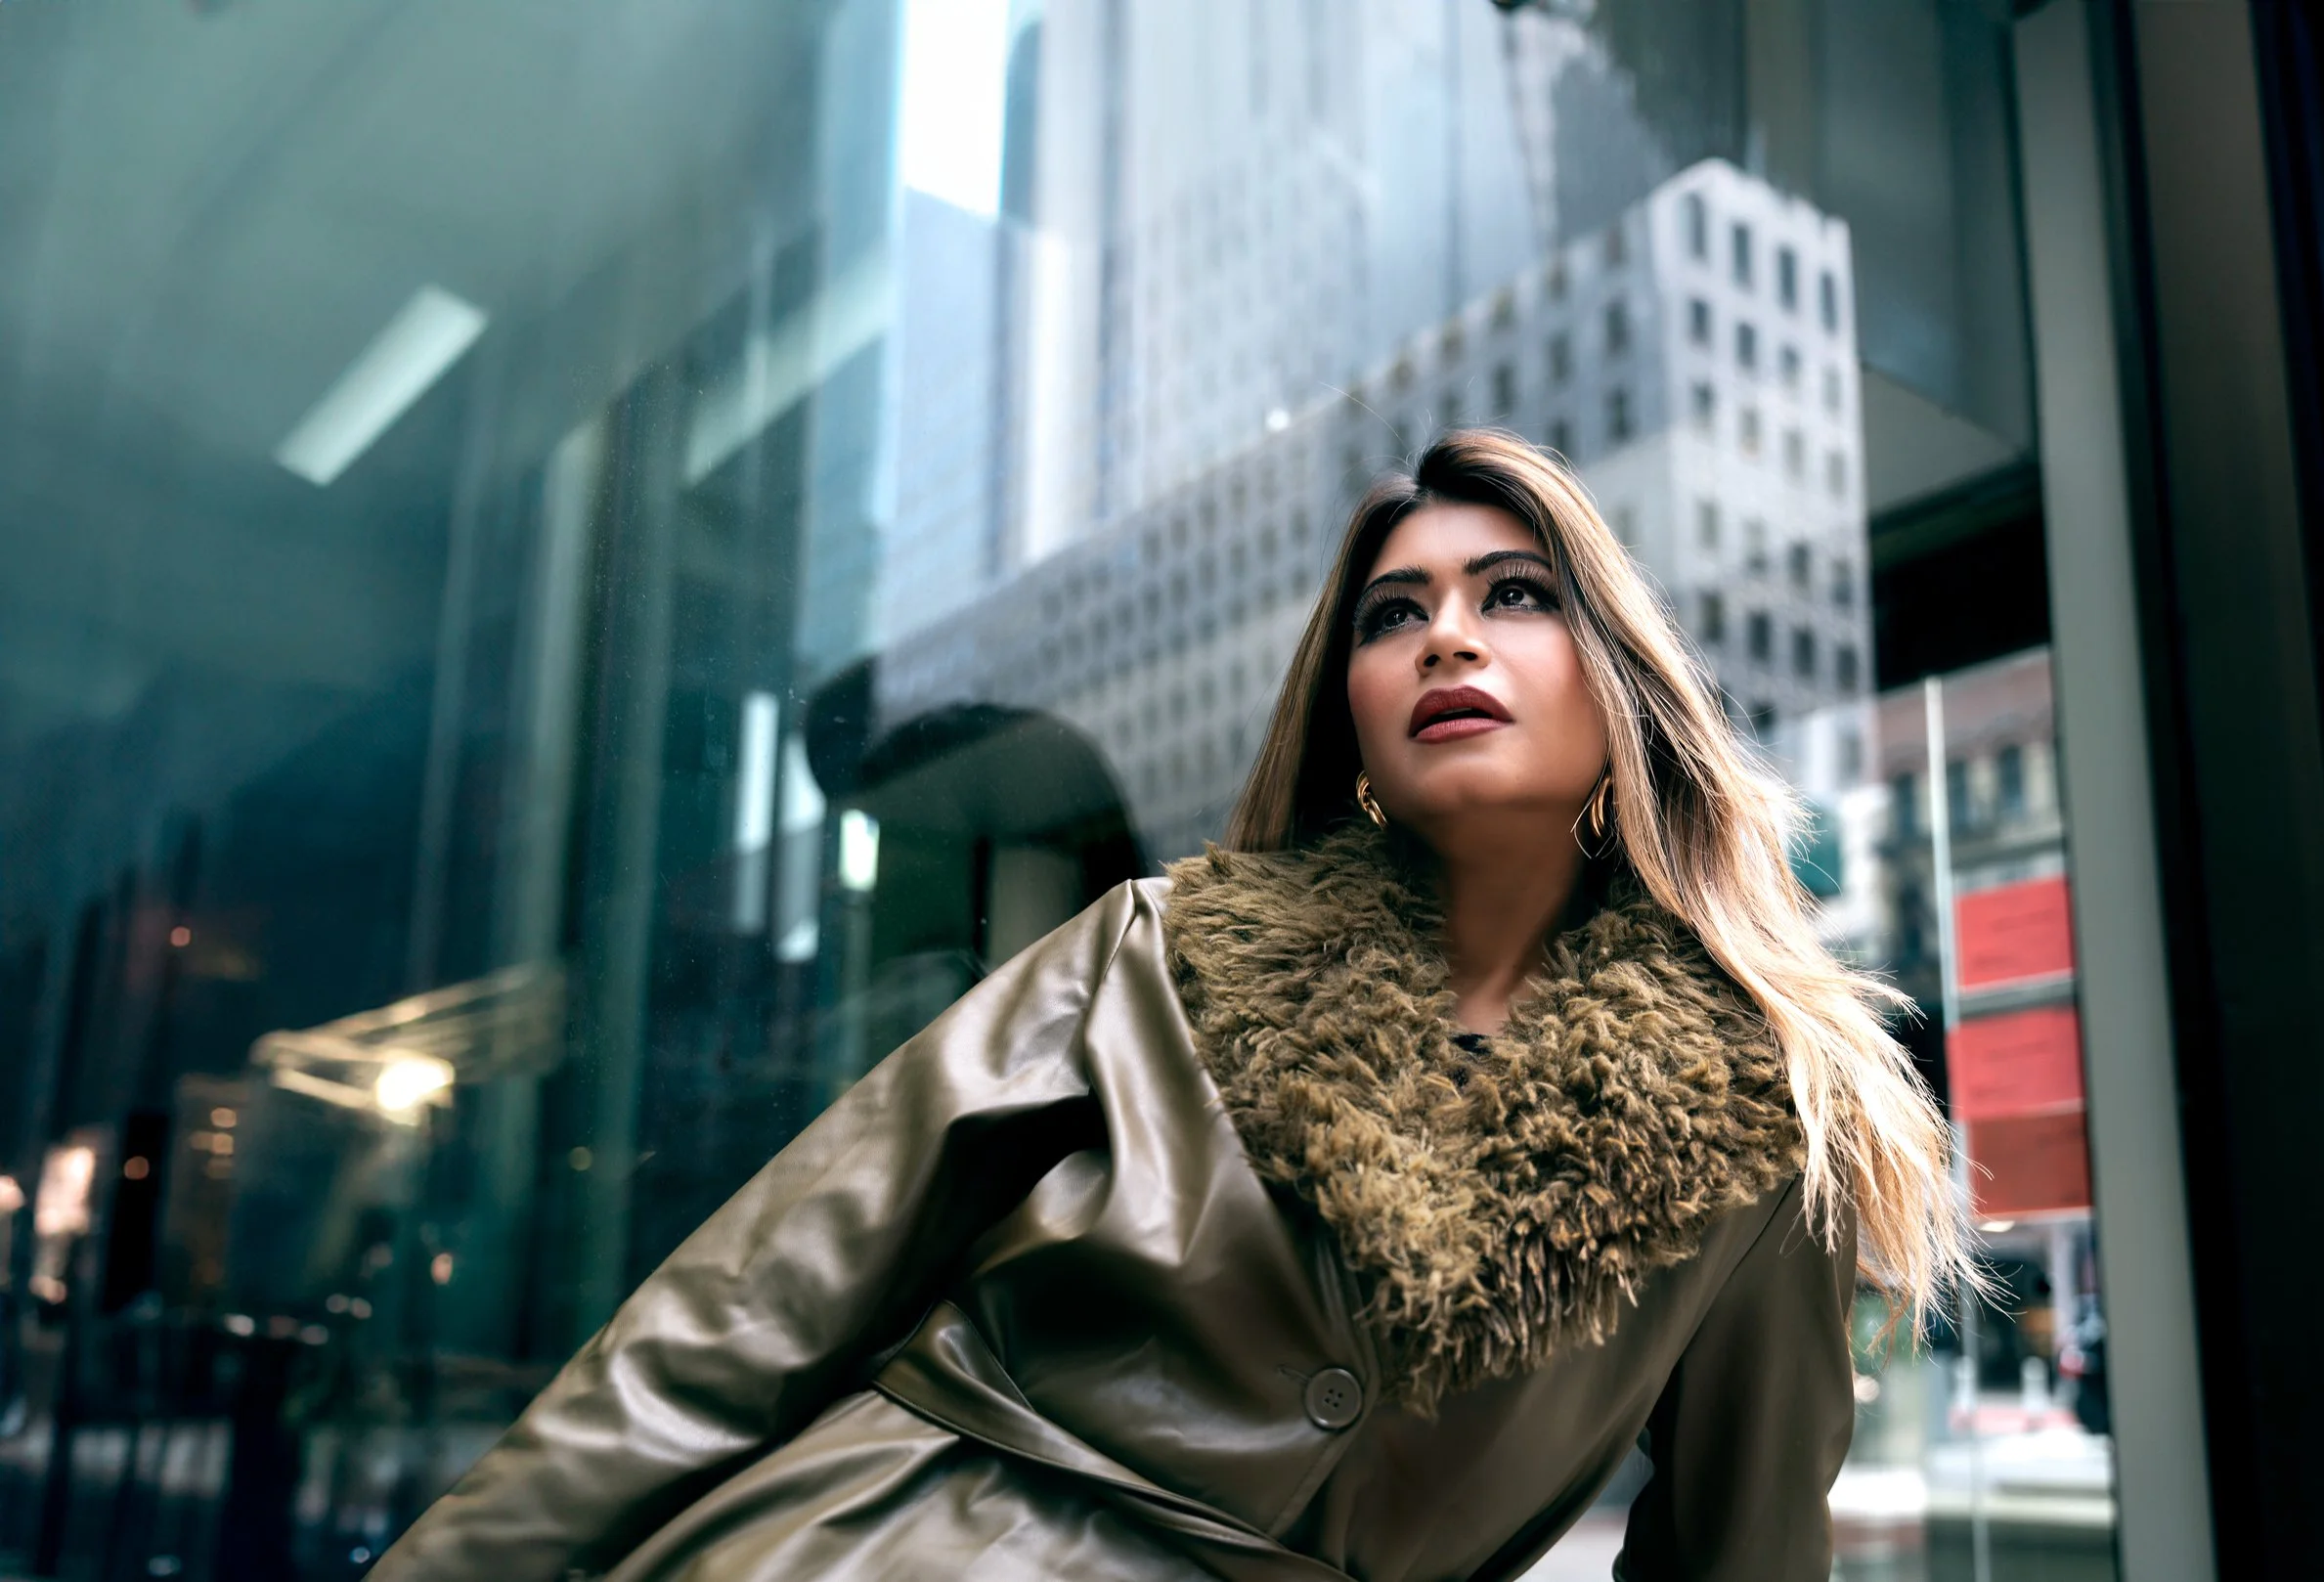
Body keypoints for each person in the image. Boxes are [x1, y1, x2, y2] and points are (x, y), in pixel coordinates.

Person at [371, 430, 1970, 1581]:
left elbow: (1743, 1553)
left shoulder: (1771, 1128)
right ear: (1350, 713)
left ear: (1621, 683)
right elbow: (747, 1314)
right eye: (1393, 614)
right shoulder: (1160, 949)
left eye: (1515, 594)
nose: (1447, 638)